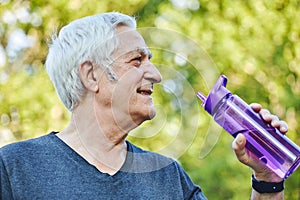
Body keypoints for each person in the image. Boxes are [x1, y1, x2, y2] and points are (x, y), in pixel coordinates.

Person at [0, 12, 289, 199]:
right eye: (137, 60)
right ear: (91, 75)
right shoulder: (13, 169)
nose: (156, 75)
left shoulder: (168, 178)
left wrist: (267, 180)